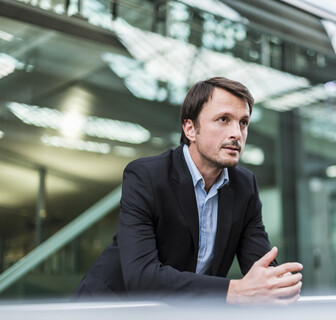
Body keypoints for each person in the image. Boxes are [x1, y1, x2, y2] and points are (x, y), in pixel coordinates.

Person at [72, 77, 303, 305]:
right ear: (190, 128)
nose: (236, 133)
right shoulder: (146, 177)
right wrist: (234, 290)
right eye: (223, 119)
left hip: (180, 310)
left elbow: (260, 263)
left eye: (243, 122)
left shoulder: (245, 186)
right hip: (108, 308)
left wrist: (276, 284)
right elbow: (141, 278)